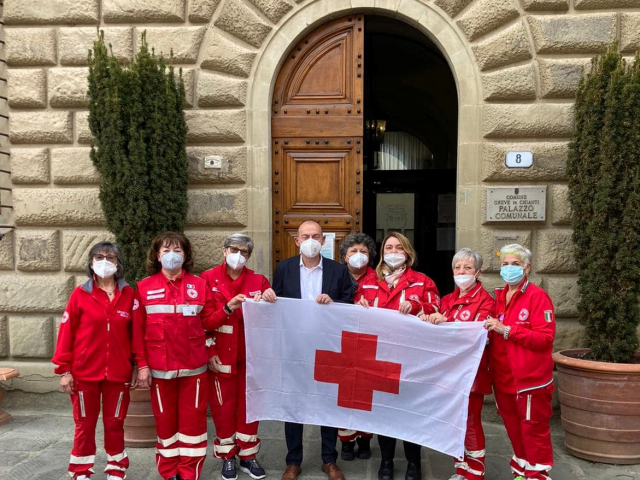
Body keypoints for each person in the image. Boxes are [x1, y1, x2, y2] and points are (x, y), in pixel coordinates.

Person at [355, 231, 440, 480]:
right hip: (379, 358)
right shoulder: (369, 282)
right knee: (385, 411)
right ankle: (387, 461)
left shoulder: (422, 281)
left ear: (408, 253)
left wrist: (417, 306)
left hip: (411, 358)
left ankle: (414, 463)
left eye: (399, 248)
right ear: (382, 254)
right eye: (389, 248)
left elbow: (437, 308)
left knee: (411, 411)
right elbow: (356, 310)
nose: (393, 252)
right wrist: (359, 306)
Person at [273, 220, 354, 480]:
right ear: (297, 241)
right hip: (295, 348)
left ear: (323, 240)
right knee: (293, 404)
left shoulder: (338, 270)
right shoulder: (284, 268)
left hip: (327, 348)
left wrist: (334, 302)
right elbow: (276, 304)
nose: (310, 240)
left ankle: (329, 460)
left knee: (327, 403)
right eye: (305, 236)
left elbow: (349, 303)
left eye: (315, 236)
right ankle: (293, 461)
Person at [134, 232, 217, 480]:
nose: (173, 255)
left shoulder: (199, 285)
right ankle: (169, 473)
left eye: (178, 250)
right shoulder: (143, 287)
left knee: (193, 427)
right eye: (167, 250)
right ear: (158, 256)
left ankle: (189, 474)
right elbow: (137, 333)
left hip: (194, 371)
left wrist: (227, 309)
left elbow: (209, 324)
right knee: (166, 426)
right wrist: (142, 366)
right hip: (160, 371)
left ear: (186, 255)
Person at [52, 242, 137, 480]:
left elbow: (137, 335)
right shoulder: (80, 294)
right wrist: (64, 370)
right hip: (84, 374)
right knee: (84, 425)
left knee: (115, 423)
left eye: (111, 257)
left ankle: (116, 469)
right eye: (99, 257)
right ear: (91, 262)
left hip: (118, 374)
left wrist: (139, 365)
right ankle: (80, 471)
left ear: (118, 264)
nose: (105, 261)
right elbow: (66, 334)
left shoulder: (129, 295)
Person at [200, 234, 277, 480]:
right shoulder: (207, 279)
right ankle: (227, 457)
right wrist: (227, 309)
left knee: (249, 407)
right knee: (223, 409)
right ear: (224, 251)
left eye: (244, 252)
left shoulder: (258, 280)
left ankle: (248, 456)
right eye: (234, 250)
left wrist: (269, 301)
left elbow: (272, 321)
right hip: (221, 356)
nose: (239, 255)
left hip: (251, 358)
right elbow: (202, 322)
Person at [420, 248, 495, 480]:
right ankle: (461, 468)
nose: (461, 272)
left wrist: (446, 321)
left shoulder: (486, 302)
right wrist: (428, 321)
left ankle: (475, 472)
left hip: (471, 374)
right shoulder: (448, 299)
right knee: (454, 422)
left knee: (471, 422)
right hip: (449, 373)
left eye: (467, 268)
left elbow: (479, 335)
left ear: (478, 272)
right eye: (457, 268)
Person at [484, 244, 555, 480]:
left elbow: (545, 339)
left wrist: (507, 331)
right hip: (503, 379)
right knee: (514, 430)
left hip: (530, 381)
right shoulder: (499, 296)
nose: (509, 268)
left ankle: (537, 475)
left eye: (515, 264)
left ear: (527, 267)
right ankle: (522, 472)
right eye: (505, 264)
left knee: (533, 430)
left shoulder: (538, 296)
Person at [336, 233, 377, 461]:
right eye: (353, 251)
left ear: (370, 256)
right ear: (344, 256)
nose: (358, 256)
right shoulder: (334, 276)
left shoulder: (380, 278)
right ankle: (346, 440)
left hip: (369, 344)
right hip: (342, 342)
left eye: (363, 251)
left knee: (365, 393)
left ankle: (365, 439)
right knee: (344, 393)